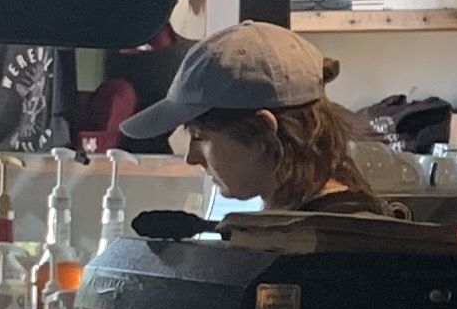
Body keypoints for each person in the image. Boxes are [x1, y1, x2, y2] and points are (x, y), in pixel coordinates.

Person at [118, 23, 398, 215]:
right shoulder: (296, 228)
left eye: (200, 136)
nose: (191, 158)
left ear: (264, 134)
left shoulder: (318, 245)